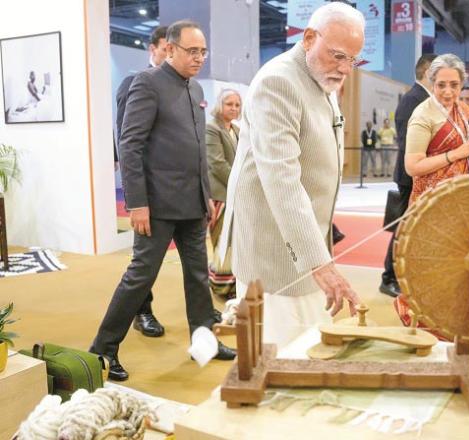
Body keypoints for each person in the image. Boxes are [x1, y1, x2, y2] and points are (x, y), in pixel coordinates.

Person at [91, 20, 236, 382]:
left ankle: (205, 340)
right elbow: (130, 144)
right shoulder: (147, 84)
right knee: (140, 276)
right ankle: (103, 349)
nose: (199, 58)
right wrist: (136, 203)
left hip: (192, 204)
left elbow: (198, 151)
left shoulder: (194, 88)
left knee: (198, 276)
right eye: (192, 51)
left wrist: (207, 198)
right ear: (169, 49)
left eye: (203, 51)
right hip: (155, 207)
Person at [219, 2, 364, 349]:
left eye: (352, 60)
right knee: (284, 354)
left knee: (310, 345)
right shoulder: (278, 81)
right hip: (275, 251)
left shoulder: (319, 78)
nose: (345, 69)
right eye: (338, 56)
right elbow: (281, 180)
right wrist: (319, 262)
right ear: (309, 37)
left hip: (304, 244)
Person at [393, 53, 469, 336]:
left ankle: (456, 324)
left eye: (454, 85)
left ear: (462, 85)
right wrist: (455, 154)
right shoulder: (423, 115)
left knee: (460, 267)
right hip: (431, 208)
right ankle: (427, 327)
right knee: (431, 269)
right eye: (441, 85)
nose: (448, 92)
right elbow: (413, 166)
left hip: (462, 204)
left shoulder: (465, 111)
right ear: (430, 82)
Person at [114, 25, 168, 338]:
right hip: (145, 188)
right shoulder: (134, 83)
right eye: (165, 48)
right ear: (153, 48)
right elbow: (127, 141)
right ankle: (142, 311)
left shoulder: (178, 88)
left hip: (173, 189)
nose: (169, 55)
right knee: (143, 261)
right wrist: (136, 198)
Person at [379, 53, 436, 298]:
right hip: (410, 177)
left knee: (410, 227)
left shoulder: (424, 98)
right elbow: (408, 144)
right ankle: (389, 277)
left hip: (420, 176)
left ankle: (400, 274)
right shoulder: (414, 99)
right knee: (403, 227)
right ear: (426, 71)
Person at [206, 89, 241, 296]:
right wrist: (239, 185)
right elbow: (217, 164)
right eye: (229, 104)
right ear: (220, 104)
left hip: (234, 194)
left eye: (237, 104)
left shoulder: (235, 129)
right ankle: (220, 286)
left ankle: (232, 282)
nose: (234, 108)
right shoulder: (211, 128)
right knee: (222, 241)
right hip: (220, 195)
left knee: (234, 242)